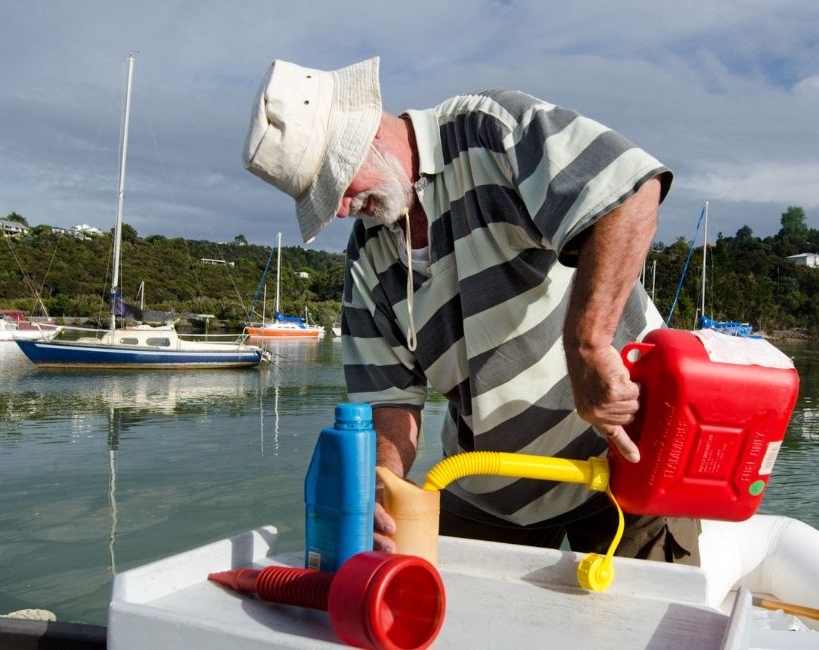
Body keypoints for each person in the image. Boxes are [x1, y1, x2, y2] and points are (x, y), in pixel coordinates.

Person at [243, 56, 698, 565]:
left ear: (365, 134)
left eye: (335, 185)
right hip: (491, 486)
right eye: (323, 200)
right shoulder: (366, 260)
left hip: (627, 462)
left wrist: (588, 346)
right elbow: (391, 405)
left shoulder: (489, 129)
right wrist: (383, 483)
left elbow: (629, 193)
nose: (342, 210)